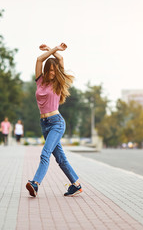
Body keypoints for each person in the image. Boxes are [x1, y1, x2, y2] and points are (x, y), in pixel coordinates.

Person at [26, 43, 82, 197]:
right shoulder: (40, 80)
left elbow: (61, 59)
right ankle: (76, 184)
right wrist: (49, 50)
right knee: (60, 158)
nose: (51, 72)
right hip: (44, 124)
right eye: (49, 70)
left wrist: (55, 49)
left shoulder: (58, 82)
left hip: (56, 123)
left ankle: (35, 184)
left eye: (53, 70)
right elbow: (39, 59)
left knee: (45, 154)